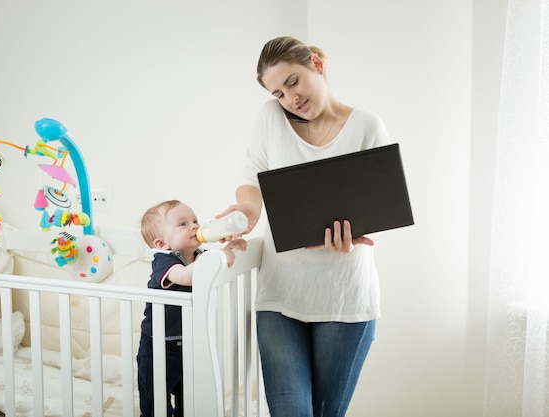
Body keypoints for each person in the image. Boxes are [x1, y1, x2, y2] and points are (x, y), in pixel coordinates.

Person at [219, 36, 391, 417]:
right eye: (279, 93)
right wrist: (249, 210)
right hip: (280, 297)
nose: (289, 99)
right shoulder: (270, 118)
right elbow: (252, 176)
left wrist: (357, 235)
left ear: (316, 63)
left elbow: (378, 204)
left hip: (346, 302)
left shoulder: (367, 126)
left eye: (293, 82)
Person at [136, 199, 247, 417]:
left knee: (190, 399)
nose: (194, 226)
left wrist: (227, 249)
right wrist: (220, 255)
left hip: (189, 343)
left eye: (194, 220)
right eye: (183, 224)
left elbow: (214, 268)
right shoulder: (163, 261)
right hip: (159, 346)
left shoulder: (199, 256)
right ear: (162, 244)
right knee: (156, 402)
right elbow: (186, 276)